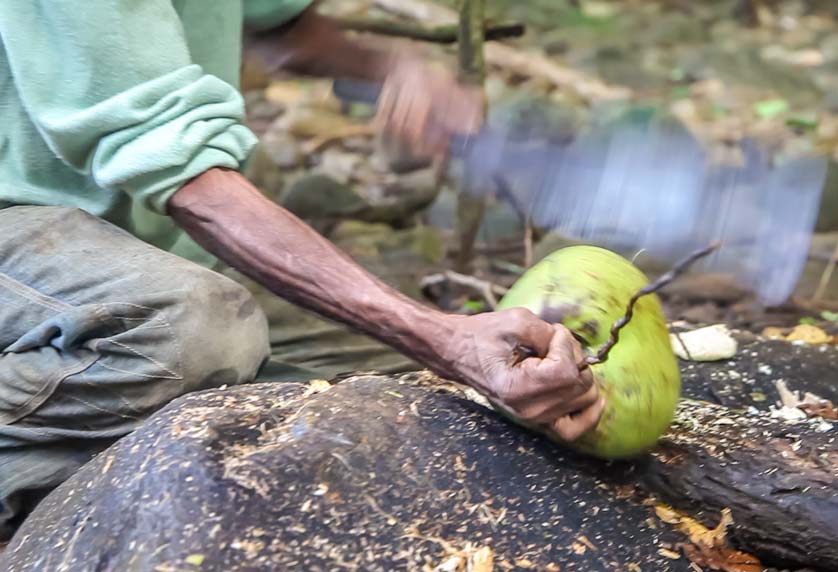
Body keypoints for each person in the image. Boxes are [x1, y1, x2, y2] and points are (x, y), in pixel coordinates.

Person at [0, 0, 603, 537]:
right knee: (196, 329)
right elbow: (173, 162)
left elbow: (279, 24)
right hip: (18, 218)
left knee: (422, 397)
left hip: (144, 244)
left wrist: (392, 67)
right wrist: (442, 336)